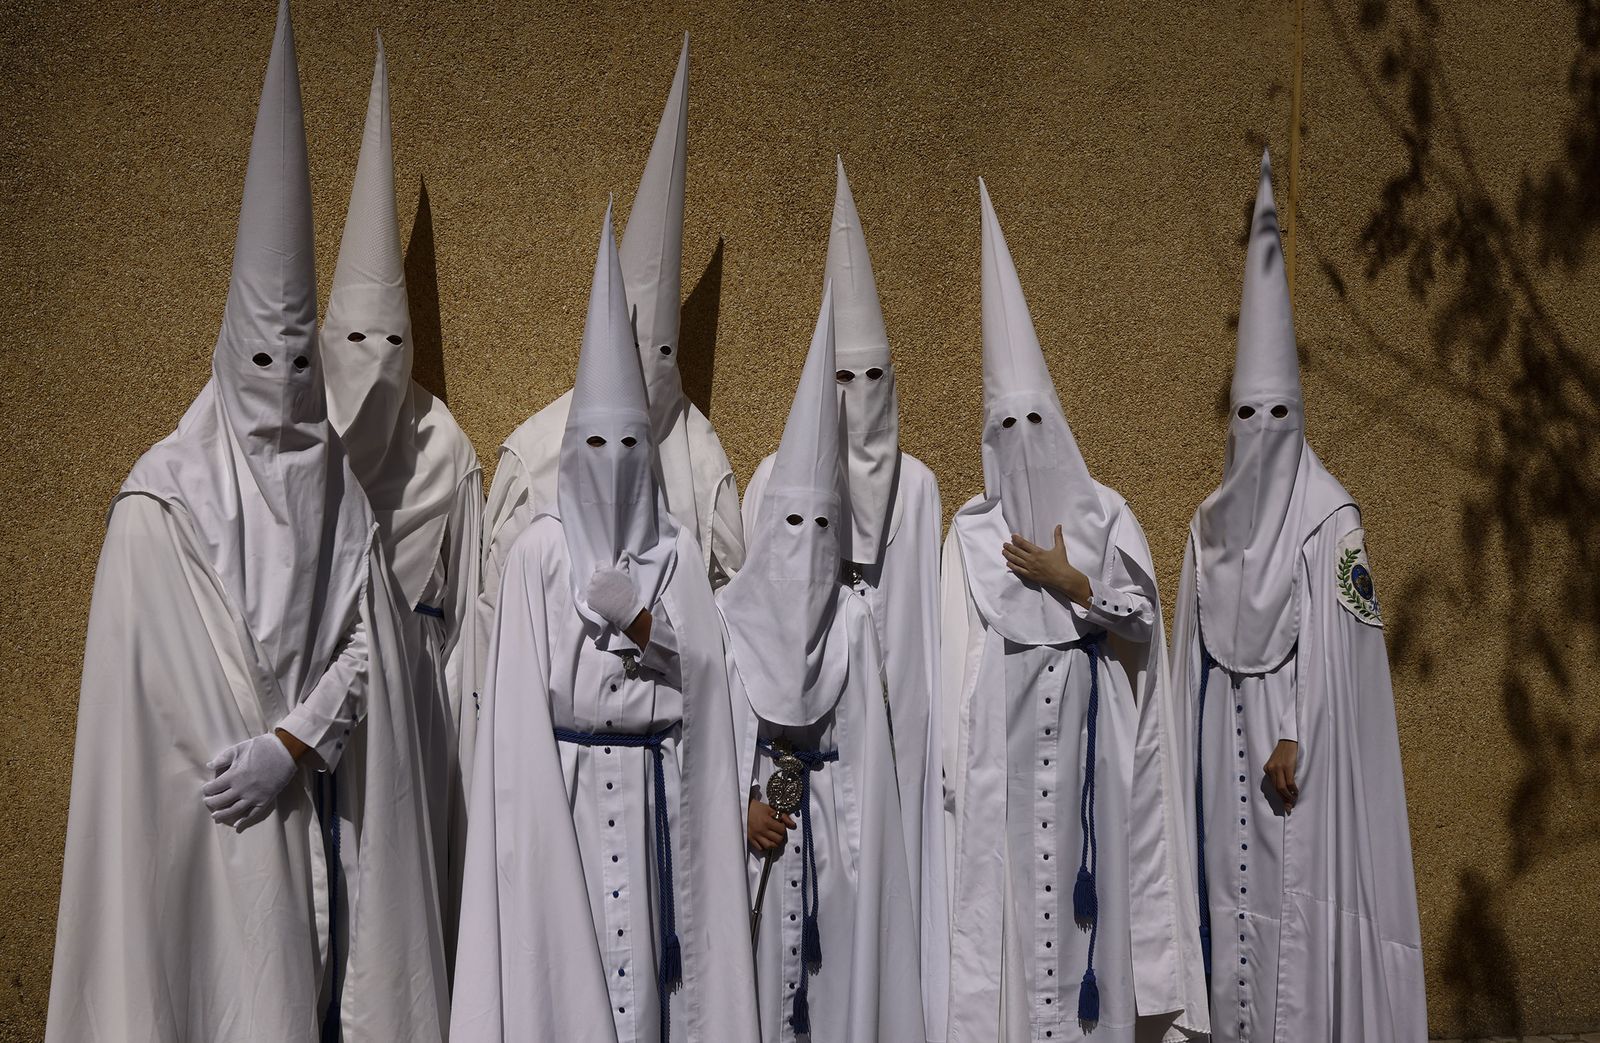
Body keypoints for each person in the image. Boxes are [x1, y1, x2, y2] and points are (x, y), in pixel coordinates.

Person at [45, 4, 447, 1039]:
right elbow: (148, 711)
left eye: (299, 365)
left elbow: (372, 644)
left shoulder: (345, 496)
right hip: (207, 844)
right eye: (264, 361)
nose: (283, 386)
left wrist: (300, 737)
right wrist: (240, 747)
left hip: (321, 815)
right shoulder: (157, 506)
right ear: (229, 353)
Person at [451, 202, 757, 1043]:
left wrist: (647, 622)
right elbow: (513, 717)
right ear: (571, 444)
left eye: (631, 445)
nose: (614, 464)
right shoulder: (537, 557)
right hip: (572, 805)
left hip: (661, 799)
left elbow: (707, 680)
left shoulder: (680, 555)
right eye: (595, 445)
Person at [941, 181, 1209, 1043]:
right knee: (1018, 951)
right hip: (1009, 787)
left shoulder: (1107, 512)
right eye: (1004, 426)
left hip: (1099, 777)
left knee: (1097, 941)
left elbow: (1142, 622)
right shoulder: (971, 533)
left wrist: (1072, 582)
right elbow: (957, 664)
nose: (1021, 439)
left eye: (1034, 421)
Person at [1169, 152, 1426, 1042]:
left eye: (1277, 417)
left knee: (1291, 927)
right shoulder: (1208, 524)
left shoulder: (1332, 518)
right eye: (1248, 418)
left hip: (1292, 763)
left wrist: (1298, 731)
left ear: (1299, 417)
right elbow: (1186, 660)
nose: (1262, 436)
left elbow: (1352, 664)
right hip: (1218, 761)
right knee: (1225, 914)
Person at [740, 159, 948, 1039]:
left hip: (891, 748)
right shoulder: (769, 485)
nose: (859, 399)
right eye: (841, 381)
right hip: (805, 771)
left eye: (875, 378)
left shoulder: (924, 489)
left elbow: (931, 638)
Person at [483, 36, 743, 622]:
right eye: (630, 350)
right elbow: (498, 599)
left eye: (662, 351)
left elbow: (730, 597)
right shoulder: (536, 449)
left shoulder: (702, 456)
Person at [320, 35, 483, 961]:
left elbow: (464, 613)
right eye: (355, 338)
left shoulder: (447, 447)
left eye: (392, 340)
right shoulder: (298, 441)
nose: (373, 364)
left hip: (413, 710)